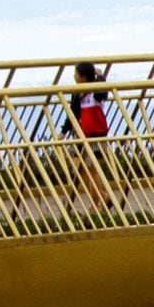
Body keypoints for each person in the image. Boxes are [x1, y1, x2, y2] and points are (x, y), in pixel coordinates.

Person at [63, 62, 113, 209]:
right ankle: (103, 196)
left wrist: (100, 76)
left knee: (92, 169)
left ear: (83, 77)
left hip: (95, 135)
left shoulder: (95, 92)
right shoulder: (77, 93)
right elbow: (73, 113)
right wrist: (64, 131)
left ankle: (96, 203)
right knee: (79, 166)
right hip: (80, 134)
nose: (74, 76)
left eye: (76, 73)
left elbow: (102, 92)